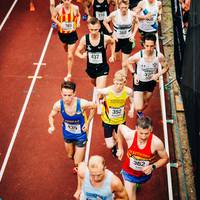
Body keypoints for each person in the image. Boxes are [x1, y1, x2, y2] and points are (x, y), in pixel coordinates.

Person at [48, 81, 96, 172]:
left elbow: (94, 106)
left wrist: (88, 122)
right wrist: (51, 126)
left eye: (69, 95)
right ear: (61, 93)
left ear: (74, 93)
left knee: (77, 161)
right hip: (67, 133)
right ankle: (78, 156)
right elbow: (51, 116)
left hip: (81, 134)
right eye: (64, 95)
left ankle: (79, 166)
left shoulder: (82, 103)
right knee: (70, 156)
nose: (67, 98)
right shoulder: (58, 105)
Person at [116, 116, 169, 200]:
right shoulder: (129, 135)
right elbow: (119, 127)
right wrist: (120, 147)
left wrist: (153, 166)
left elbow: (165, 158)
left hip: (144, 175)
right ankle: (133, 185)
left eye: (146, 133)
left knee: (136, 184)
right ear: (136, 128)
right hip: (128, 173)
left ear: (151, 130)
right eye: (141, 133)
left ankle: (137, 184)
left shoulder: (157, 143)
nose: (143, 137)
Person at [127, 33, 169, 118]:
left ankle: (137, 105)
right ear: (143, 44)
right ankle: (134, 100)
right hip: (139, 82)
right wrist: (134, 74)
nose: (149, 49)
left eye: (151, 46)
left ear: (155, 45)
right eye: (147, 46)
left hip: (151, 82)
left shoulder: (159, 56)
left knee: (145, 103)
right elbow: (128, 62)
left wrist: (157, 74)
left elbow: (166, 67)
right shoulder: (139, 56)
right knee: (138, 107)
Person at [96, 70, 134, 157]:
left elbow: (132, 99)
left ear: (124, 83)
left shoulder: (128, 91)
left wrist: (132, 109)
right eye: (117, 83)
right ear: (113, 81)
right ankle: (113, 145)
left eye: (121, 84)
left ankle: (116, 143)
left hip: (120, 120)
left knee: (119, 138)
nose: (118, 86)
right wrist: (99, 106)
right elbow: (97, 93)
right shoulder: (107, 91)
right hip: (108, 120)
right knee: (109, 144)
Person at [75, 17, 115, 90]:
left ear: (99, 27)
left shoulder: (105, 38)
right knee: (94, 82)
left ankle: (101, 97)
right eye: (91, 30)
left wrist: (112, 55)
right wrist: (81, 56)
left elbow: (113, 42)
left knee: (100, 91)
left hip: (102, 68)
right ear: (88, 27)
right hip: (91, 68)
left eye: (96, 30)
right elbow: (77, 52)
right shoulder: (85, 39)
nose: (93, 32)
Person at [103, 0, 138, 74]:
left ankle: (123, 78)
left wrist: (133, 34)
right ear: (119, 7)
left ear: (128, 6)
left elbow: (137, 23)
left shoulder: (132, 14)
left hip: (127, 39)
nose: (124, 9)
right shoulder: (114, 14)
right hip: (117, 40)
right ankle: (116, 55)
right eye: (122, 7)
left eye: (125, 7)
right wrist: (112, 34)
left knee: (124, 63)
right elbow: (105, 22)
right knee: (117, 57)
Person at [51, 0, 81, 81]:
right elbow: (53, 17)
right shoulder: (58, 8)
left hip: (72, 34)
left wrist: (78, 22)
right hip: (62, 34)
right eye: (65, 0)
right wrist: (59, 23)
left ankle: (69, 74)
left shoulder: (75, 8)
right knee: (65, 45)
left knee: (70, 55)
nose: (67, 2)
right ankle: (65, 45)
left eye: (68, 0)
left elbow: (78, 15)